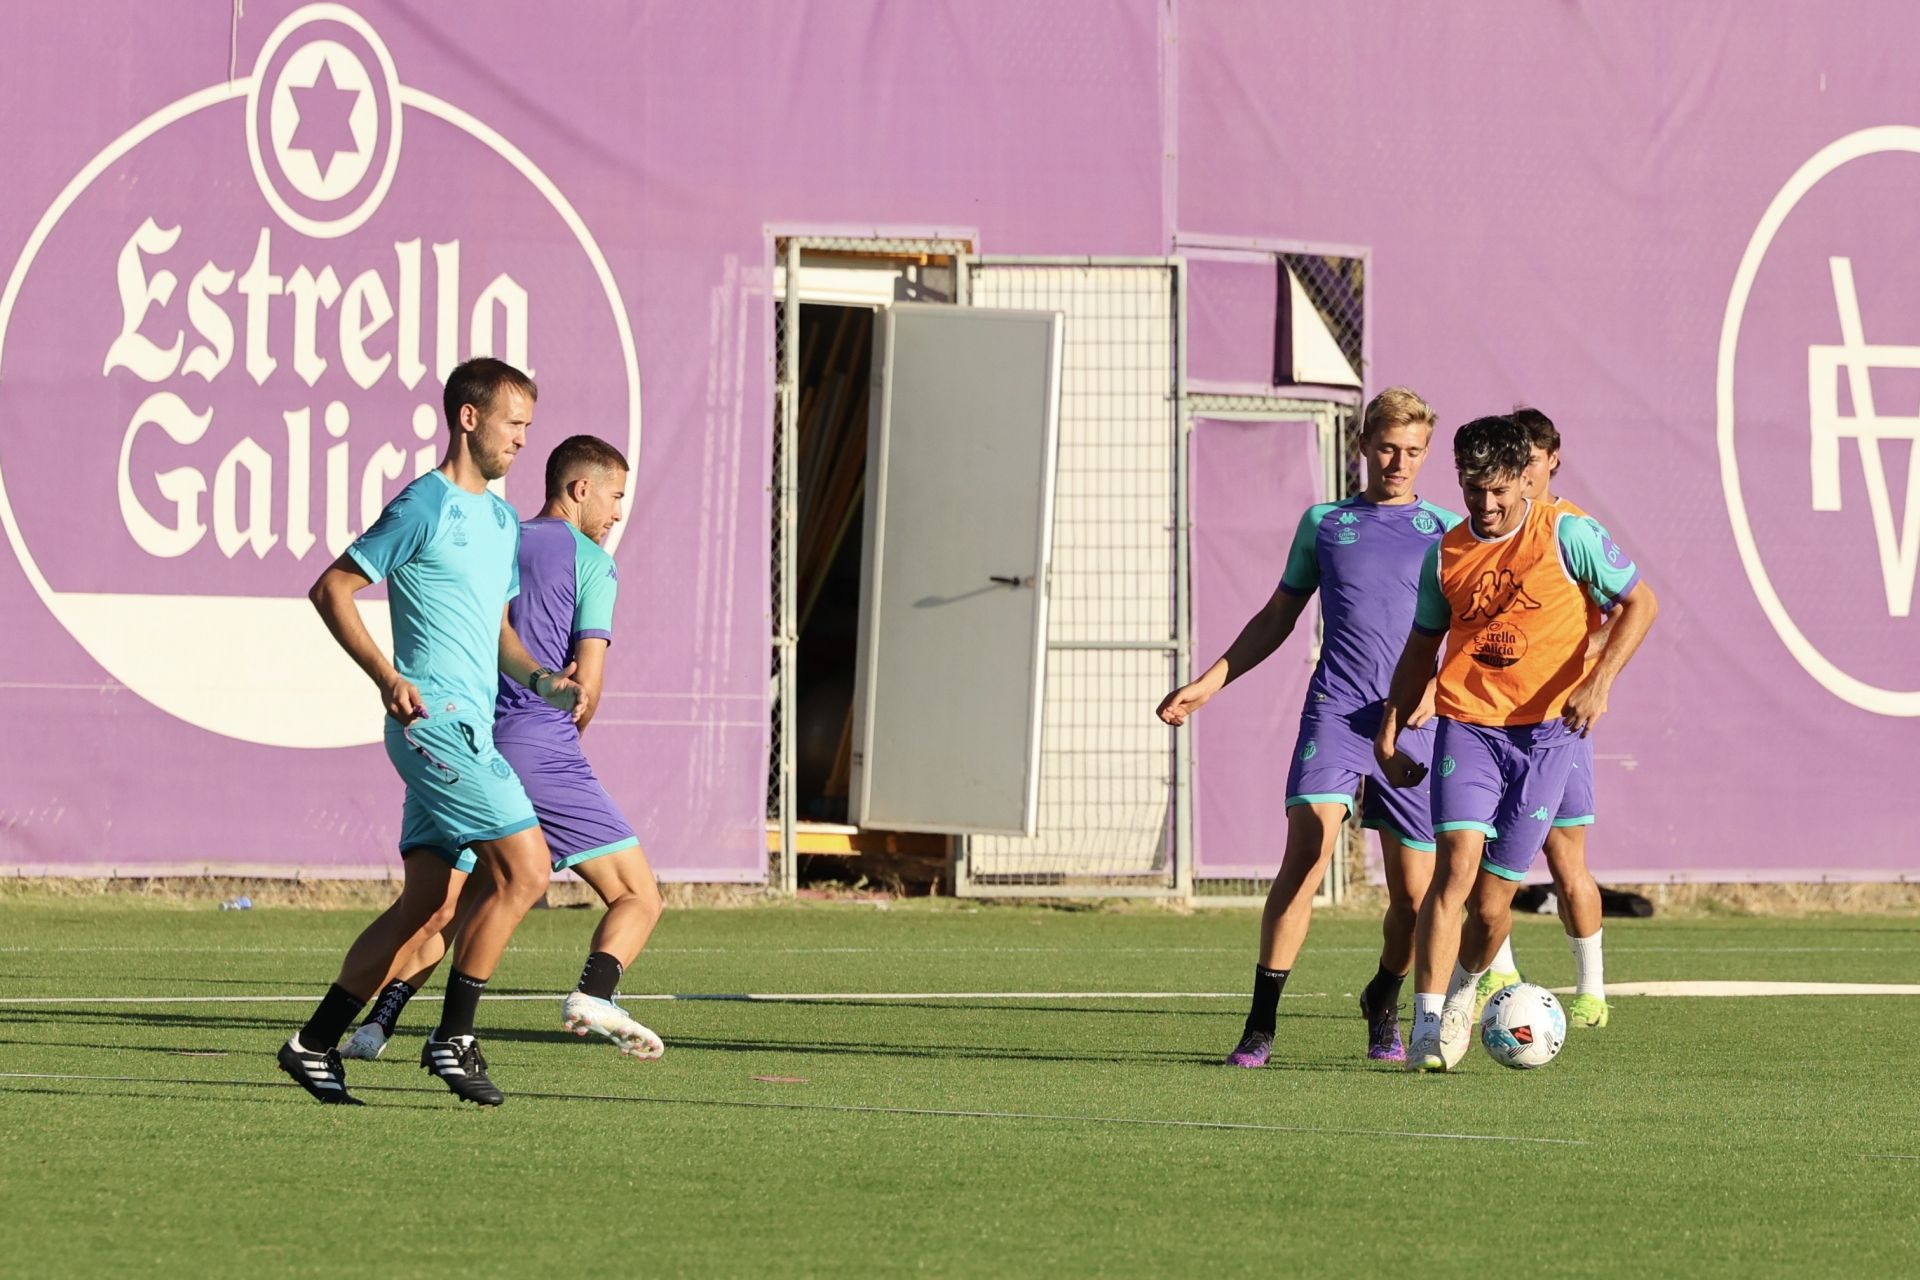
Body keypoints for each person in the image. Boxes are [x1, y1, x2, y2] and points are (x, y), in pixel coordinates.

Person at [275, 358, 587, 1107]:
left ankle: (313, 1044)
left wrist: (542, 680)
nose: (522, 439)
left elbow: (498, 631)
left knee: (426, 906)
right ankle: (453, 1038)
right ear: (469, 419)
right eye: (513, 423)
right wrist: (386, 676)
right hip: (434, 727)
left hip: (469, 727)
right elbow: (332, 587)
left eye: (529, 426)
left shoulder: (501, 520)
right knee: (527, 872)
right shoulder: (426, 503)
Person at [1158, 387, 1460, 1066]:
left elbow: (1468, 633)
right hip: (1337, 712)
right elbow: (1277, 616)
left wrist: (1436, 691)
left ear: (1426, 454)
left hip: (1413, 723)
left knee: (1414, 898)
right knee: (1308, 853)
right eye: (1388, 448)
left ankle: (1383, 998)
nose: (1399, 462)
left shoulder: (1447, 530)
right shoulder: (1325, 523)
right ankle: (1260, 1026)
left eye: (1413, 451)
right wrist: (1209, 683)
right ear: (1363, 445)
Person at [343, 435, 667, 1062]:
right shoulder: (593, 562)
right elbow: (587, 689)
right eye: (615, 496)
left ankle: (373, 1025)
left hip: (463, 742)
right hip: (538, 744)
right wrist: (559, 744)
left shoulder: (498, 534)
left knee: (447, 905)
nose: (618, 512)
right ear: (580, 489)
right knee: (638, 894)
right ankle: (595, 994)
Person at [1375, 415, 1656, 1073]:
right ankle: (1428, 1026)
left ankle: (1464, 993)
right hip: (1469, 726)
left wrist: (1599, 684)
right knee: (1455, 869)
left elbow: (1641, 605)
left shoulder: (1569, 535)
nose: (1487, 504)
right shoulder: (1444, 554)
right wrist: (1391, 730)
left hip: (1548, 737)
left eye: (1499, 490)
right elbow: (1421, 647)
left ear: (1525, 479)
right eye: (1474, 490)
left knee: (1493, 904)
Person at [1473, 407, 1611, 1028]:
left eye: (1531, 460)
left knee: (1564, 855)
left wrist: (1584, 671)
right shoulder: (1487, 533)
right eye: (1514, 461)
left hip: (1558, 723)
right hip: (1490, 721)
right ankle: (1500, 973)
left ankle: (1593, 991)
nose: (1523, 472)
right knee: (1479, 849)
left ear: (1553, 461)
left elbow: (1625, 612)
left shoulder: (1572, 532)